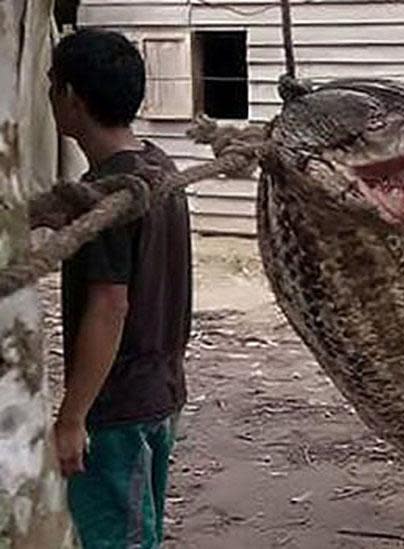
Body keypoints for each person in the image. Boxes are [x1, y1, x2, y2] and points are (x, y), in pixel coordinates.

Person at [46, 28, 191, 547]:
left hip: (118, 407)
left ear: (71, 98)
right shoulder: (159, 168)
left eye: (51, 83)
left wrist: (72, 417)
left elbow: (111, 305)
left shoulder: (108, 196)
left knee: (116, 539)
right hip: (161, 392)